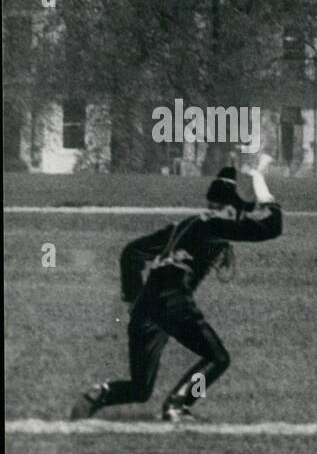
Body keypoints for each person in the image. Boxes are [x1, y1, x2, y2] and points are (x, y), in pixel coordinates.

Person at [72, 158, 284, 422]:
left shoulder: (183, 226)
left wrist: (132, 299)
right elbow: (273, 226)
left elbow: (131, 253)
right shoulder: (216, 224)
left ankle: (99, 394)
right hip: (173, 302)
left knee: (140, 389)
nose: (240, 217)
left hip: (145, 306)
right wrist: (260, 181)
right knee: (218, 359)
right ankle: (177, 405)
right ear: (227, 209)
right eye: (237, 212)